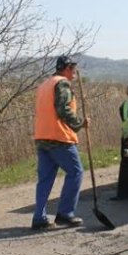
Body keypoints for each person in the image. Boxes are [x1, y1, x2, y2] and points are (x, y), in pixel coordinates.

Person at [32, 55, 89, 230]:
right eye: (73, 69)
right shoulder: (62, 83)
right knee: (76, 172)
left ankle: (39, 218)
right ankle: (65, 214)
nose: (74, 74)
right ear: (67, 68)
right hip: (59, 137)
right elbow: (63, 109)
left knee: (45, 179)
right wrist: (80, 123)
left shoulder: (44, 85)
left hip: (42, 136)